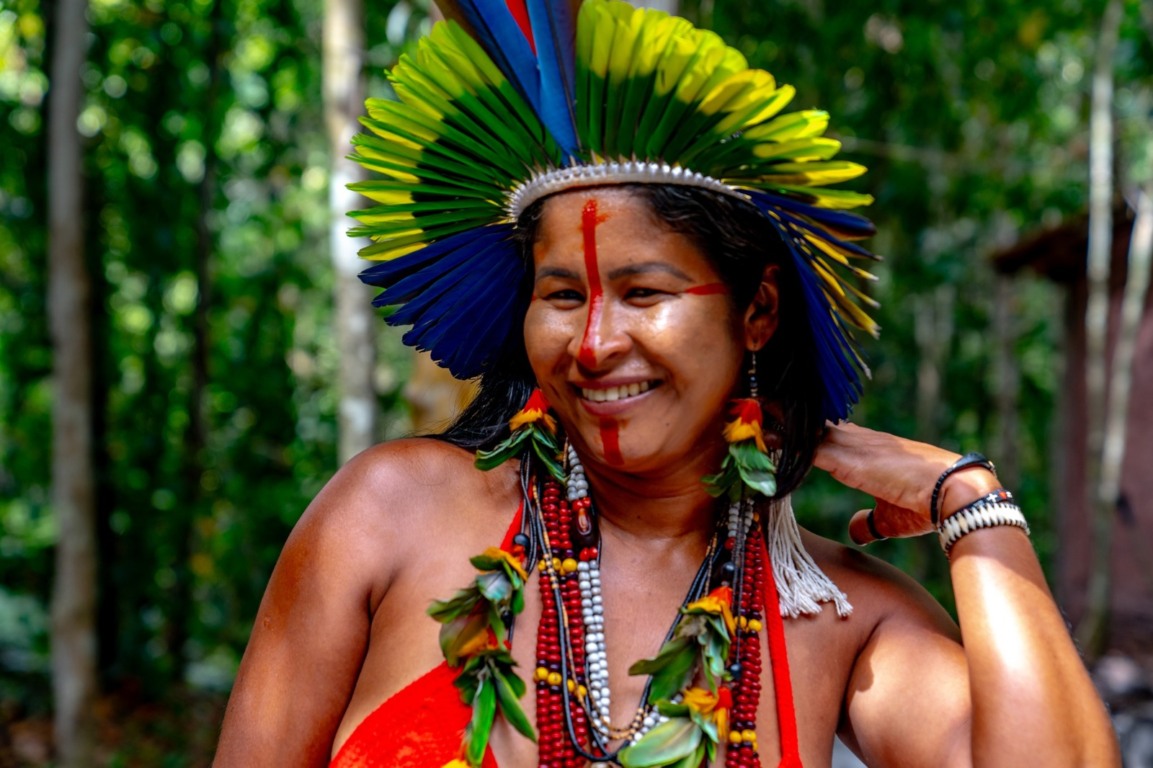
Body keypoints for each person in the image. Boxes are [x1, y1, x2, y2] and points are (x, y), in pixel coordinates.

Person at [213, 1, 1121, 766]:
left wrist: (971, 503)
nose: (596, 343)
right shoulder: (389, 512)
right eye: (561, 295)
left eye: (644, 292)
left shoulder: (843, 615)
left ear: (757, 312)